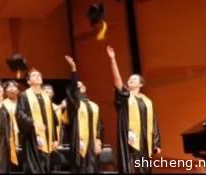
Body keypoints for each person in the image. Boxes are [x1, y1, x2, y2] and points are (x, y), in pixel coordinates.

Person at [107, 46, 161, 174]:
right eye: (130, 78)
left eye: (134, 79)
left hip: (144, 143)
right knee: (131, 169)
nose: (130, 79)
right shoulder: (125, 96)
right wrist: (113, 59)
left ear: (141, 84)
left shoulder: (147, 101)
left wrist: (156, 144)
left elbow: (153, 123)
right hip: (129, 141)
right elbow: (117, 80)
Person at [64, 56, 103, 173]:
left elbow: (99, 126)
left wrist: (98, 140)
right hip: (79, 142)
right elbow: (73, 91)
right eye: (76, 87)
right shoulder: (74, 105)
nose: (78, 88)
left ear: (85, 88)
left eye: (80, 85)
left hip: (92, 145)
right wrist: (73, 68)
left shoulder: (94, 105)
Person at [16, 68, 58, 173]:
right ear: (28, 81)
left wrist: (54, 138)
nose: (38, 76)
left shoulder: (46, 97)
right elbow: (19, 114)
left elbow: (52, 118)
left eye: (39, 75)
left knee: (46, 166)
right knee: (34, 167)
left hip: (47, 137)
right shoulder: (24, 95)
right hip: (32, 137)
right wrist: (33, 122)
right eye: (34, 75)